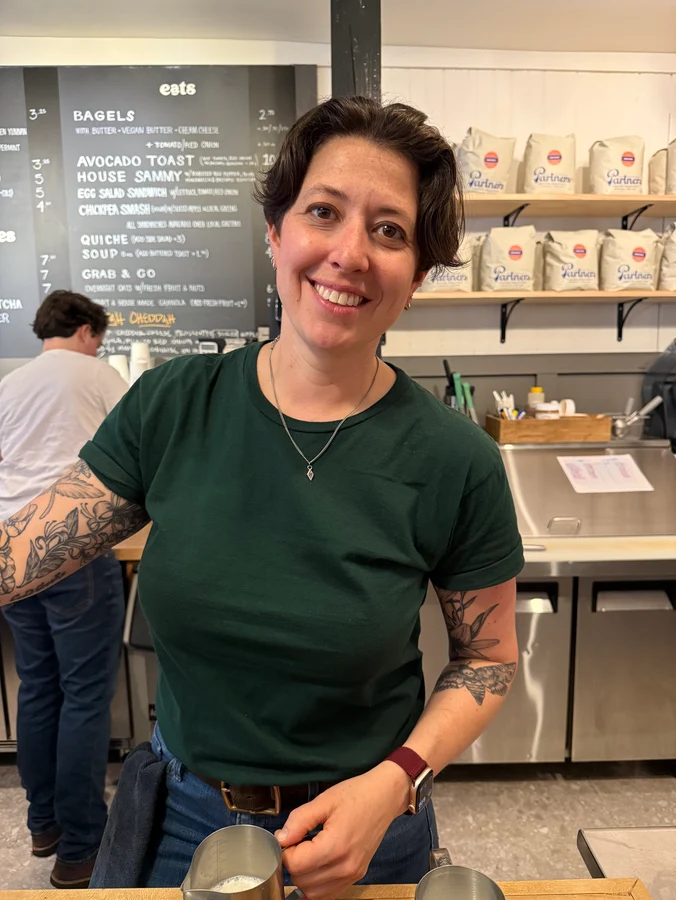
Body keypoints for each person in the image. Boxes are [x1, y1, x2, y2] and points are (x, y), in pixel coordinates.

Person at [0, 98, 523, 898]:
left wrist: (395, 783)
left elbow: (487, 660)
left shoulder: (454, 460)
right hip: (183, 821)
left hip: (370, 824)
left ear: (416, 277)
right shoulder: (172, 407)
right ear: (277, 232)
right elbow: (19, 555)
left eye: (389, 230)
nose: (350, 253)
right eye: (324, 212)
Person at [0, 290, 128, 888]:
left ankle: (44, 824)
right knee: (83, 694)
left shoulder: (11, 385)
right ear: (84, 330)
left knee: (39, 686)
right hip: (74, 546)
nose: (97, 346)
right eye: (96, 337)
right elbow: (141, 449)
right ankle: (81, 849)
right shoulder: (98, 374)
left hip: (12, 551)